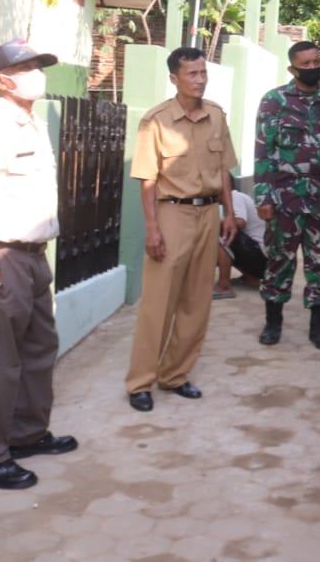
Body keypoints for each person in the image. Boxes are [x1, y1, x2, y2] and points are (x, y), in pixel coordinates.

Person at [0, 40, 77, 490]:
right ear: (2, 80)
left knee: (39, 350)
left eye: (38, 65)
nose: (35, 73)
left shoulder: (31, 124)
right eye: (25, 67)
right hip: (2, 257)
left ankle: (26, 434)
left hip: (34, 257)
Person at [125, 47, 238, 412]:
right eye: (192, 74)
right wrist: (152, 230)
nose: (200, 80)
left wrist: (229, 213)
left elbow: (224, 170)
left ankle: (175, 375)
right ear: (174, 78)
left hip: (208, 214)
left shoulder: (216, 116)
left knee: (196, 301)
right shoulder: (156, 121)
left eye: (203, 73)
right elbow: (146, 180)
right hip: (171, 213)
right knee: (159, 302)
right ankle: (140, 382)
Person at [253, 41, 320, 350]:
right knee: (279, 261)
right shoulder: (274, 101)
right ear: (292, 69)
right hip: (284, 198)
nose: (312, 69)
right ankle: (273, 323)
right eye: (305, 65)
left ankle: (319, 328)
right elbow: (263, 152)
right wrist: (263, 197)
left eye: (315, 63)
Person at [215, 175, 267, 298]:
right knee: (222, 229)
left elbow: (239, 222)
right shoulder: (232, 201)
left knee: (222, 232)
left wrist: (211, 224)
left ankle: (223, 286)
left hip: (260, 258)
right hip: (261, 261)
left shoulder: (235, 196)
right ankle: (250, 279)